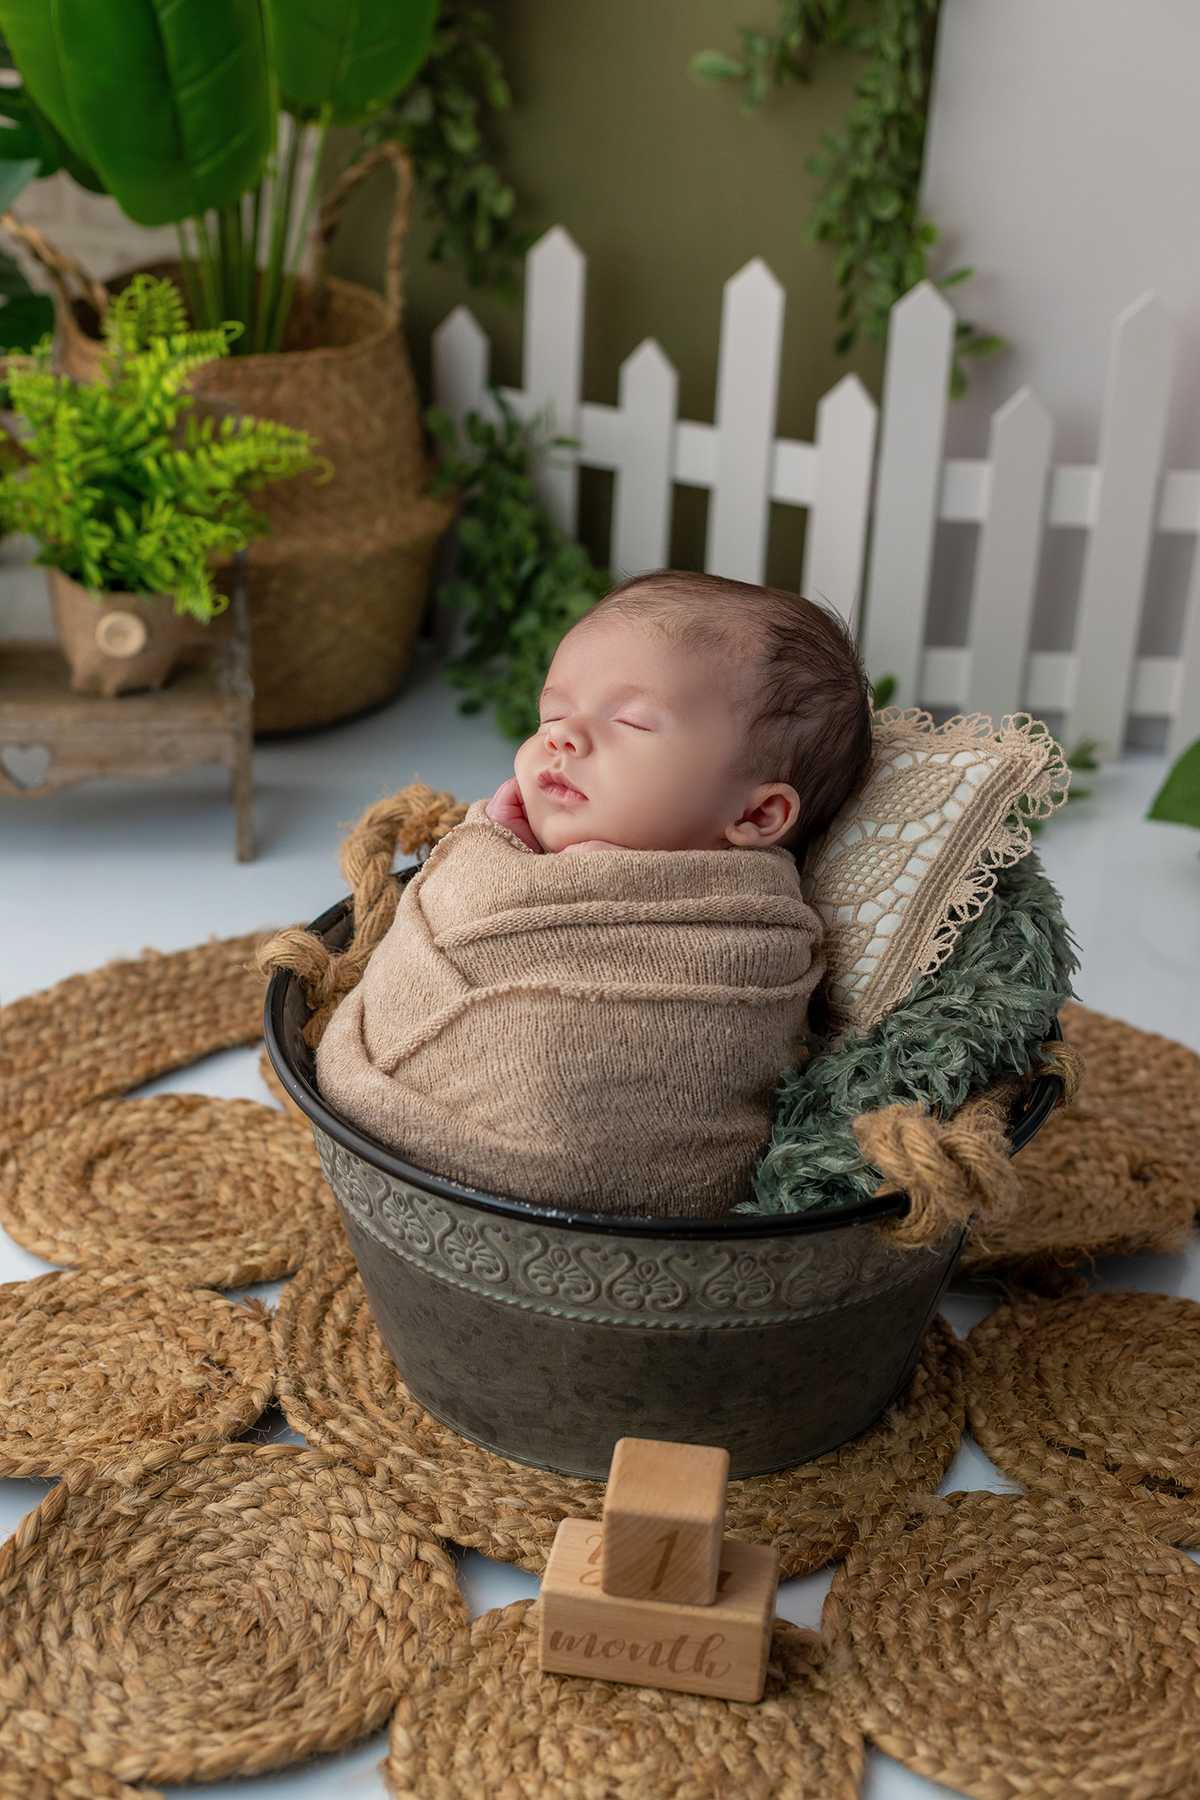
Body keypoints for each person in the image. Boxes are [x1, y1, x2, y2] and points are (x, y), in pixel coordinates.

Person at [315, 570, 874, 1217]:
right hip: (418, 1128)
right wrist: (486, 850)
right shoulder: (508, 846)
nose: (562, 738)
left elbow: (738, 1050)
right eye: (553, 713)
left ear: (754, 819)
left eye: (632, 723)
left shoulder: (745, 923)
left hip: (633, 1187)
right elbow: (446, 916)